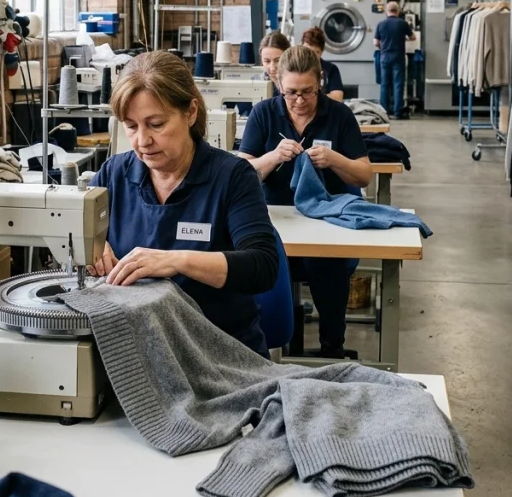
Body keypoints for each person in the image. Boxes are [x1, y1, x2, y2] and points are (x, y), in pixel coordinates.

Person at [89, 50, 279, 357]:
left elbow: (263, 266)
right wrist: (92, 249)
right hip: (137, 350)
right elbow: (76, 238)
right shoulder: (113, 175)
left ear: (190, 112)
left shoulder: (232, 177)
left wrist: (176, 261)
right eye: (131, 126)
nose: (142, 141)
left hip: (220, 353)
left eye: (156, 124)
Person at [237, 46, 372, 359]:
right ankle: (263, 348)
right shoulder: (264, 113)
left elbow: (364, 175)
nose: (299, 100)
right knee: (257, 263)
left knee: (326, 263)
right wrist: (273, 157)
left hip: (326, 220)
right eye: (291, 93)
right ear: (278, 84)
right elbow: (242, 173)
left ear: (320, 81)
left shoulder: (339, 115)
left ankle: (331, 349)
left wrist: (335, 159)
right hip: (276, 219)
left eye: (307, 92)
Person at [373, 1, 416, 119]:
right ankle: (398, 112)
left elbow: (375, 42)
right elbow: (413, 37)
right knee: (398, 84)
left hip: (385, 57)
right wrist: (404, 39)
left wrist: (382, 47)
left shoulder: (381, 24)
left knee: (384, 85)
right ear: (398, 11)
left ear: (387, 11)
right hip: (398, 58)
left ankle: (384, 112)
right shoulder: (403, 23)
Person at [301, 27, 345, 101]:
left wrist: (308, 97)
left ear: (322, 52)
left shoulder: (331, 69)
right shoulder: (294, 68)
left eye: (315, 53)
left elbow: (338, 98)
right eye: (307, 52)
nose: (310, 56)